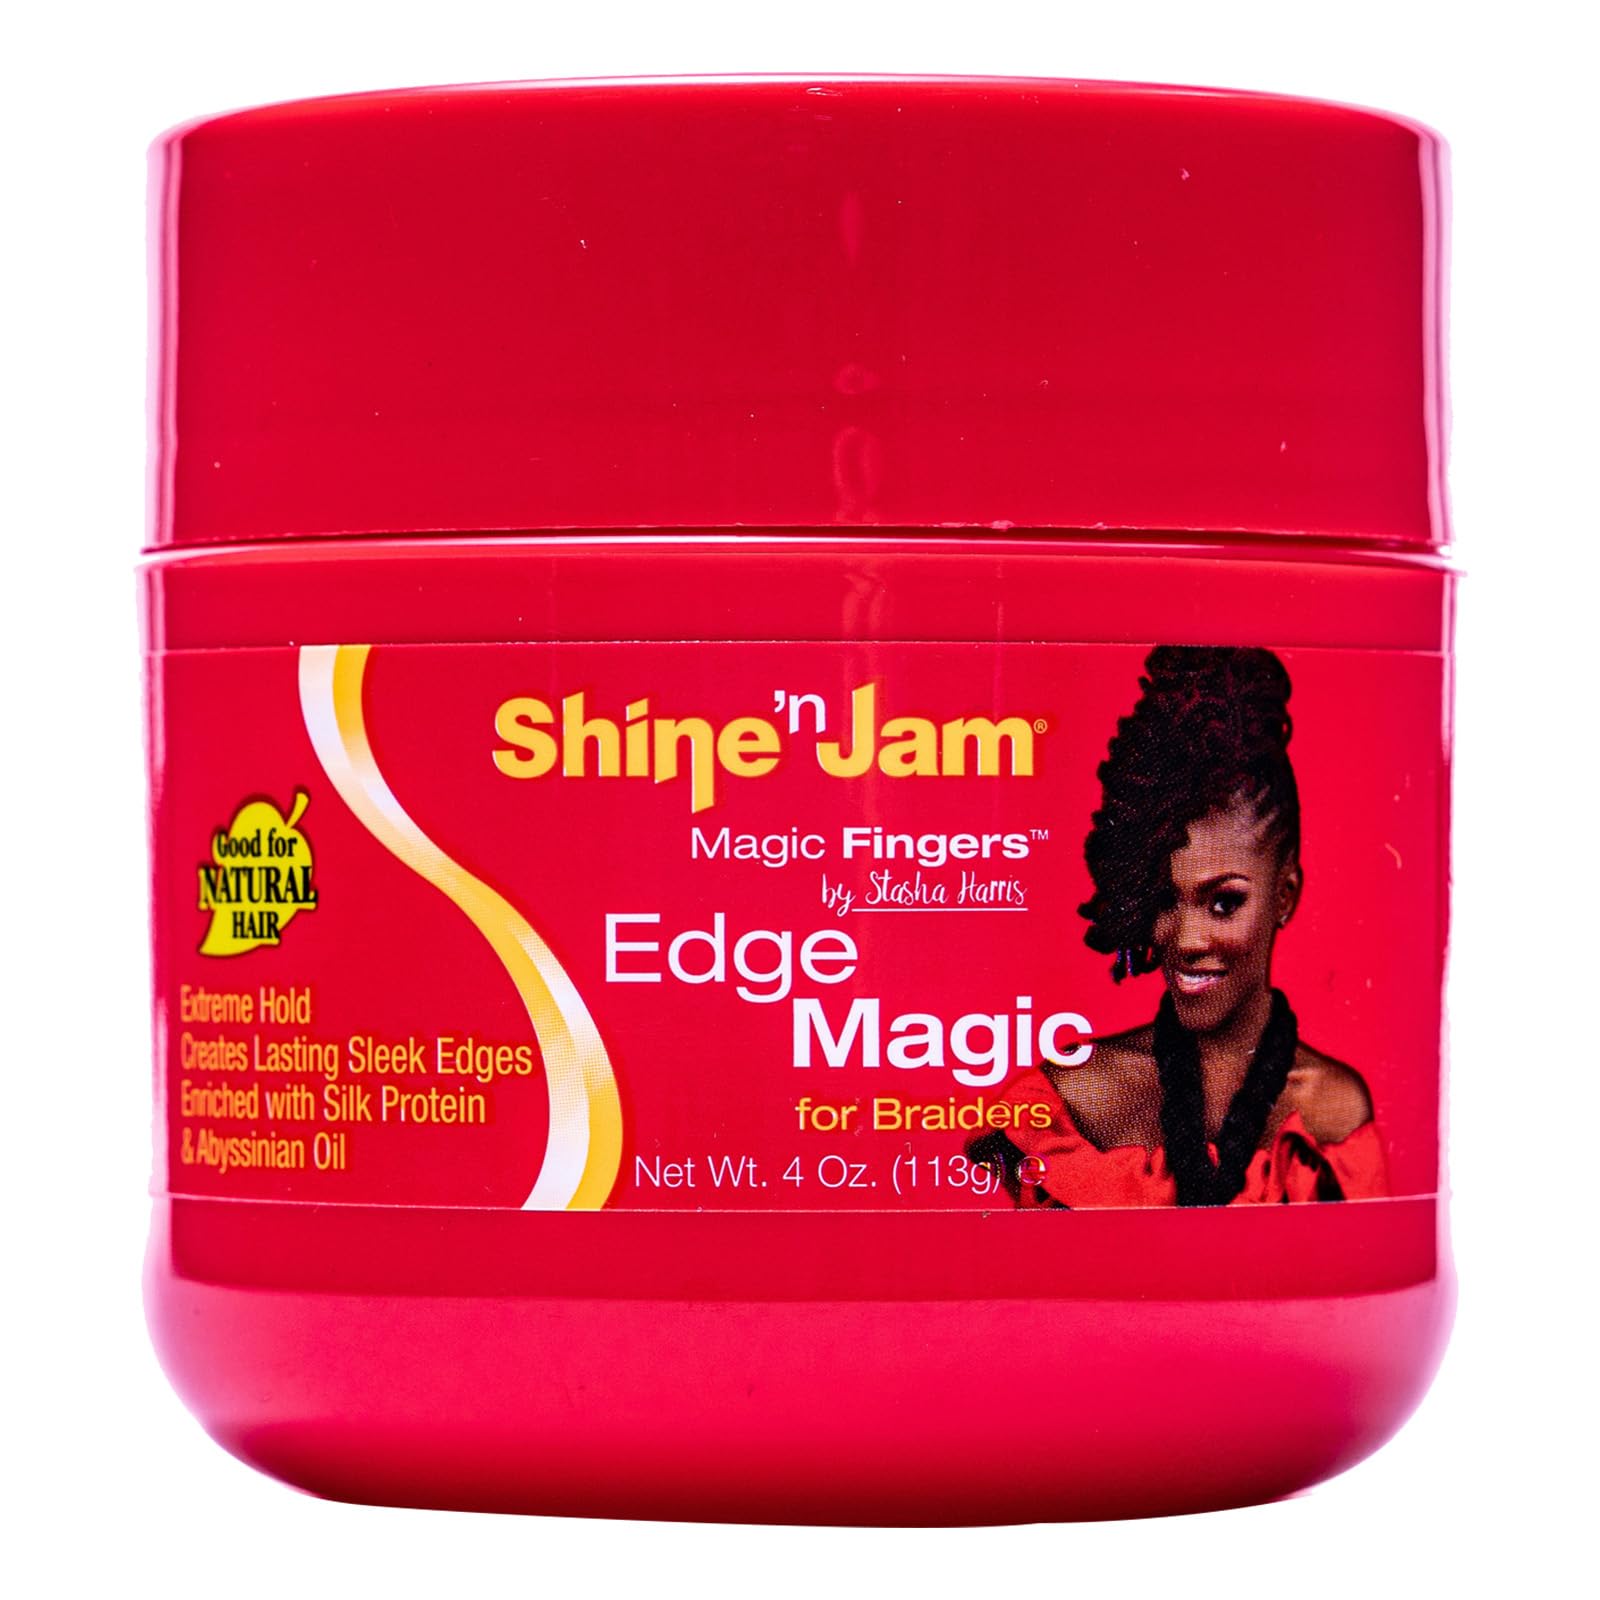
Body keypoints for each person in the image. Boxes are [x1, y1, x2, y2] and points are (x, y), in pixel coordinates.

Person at [972, 646, 1387, 1207]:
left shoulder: (1332, 1113)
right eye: (1165, 899)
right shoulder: (1068, 1102)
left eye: (1224, 903)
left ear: (1284, 896)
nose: (1188, 940)